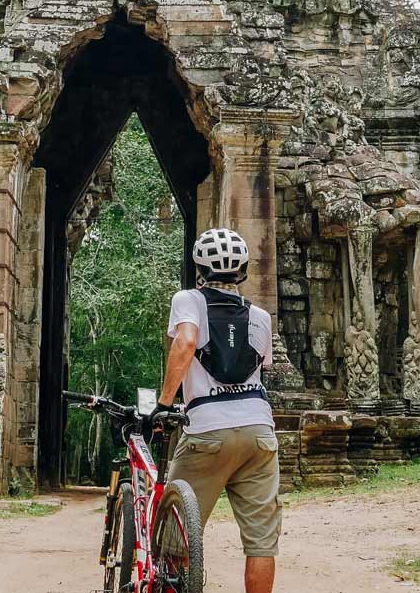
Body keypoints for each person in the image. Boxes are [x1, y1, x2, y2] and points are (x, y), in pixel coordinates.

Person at [153, 227, 280, 593]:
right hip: (259, 431)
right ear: (242, 273)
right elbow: (257, 369)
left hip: (207, 429)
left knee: (175, 531)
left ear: (199, 269)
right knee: (261, 543)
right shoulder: (260, 317)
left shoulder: (189, 299)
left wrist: (165, 404)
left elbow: (188, 340)